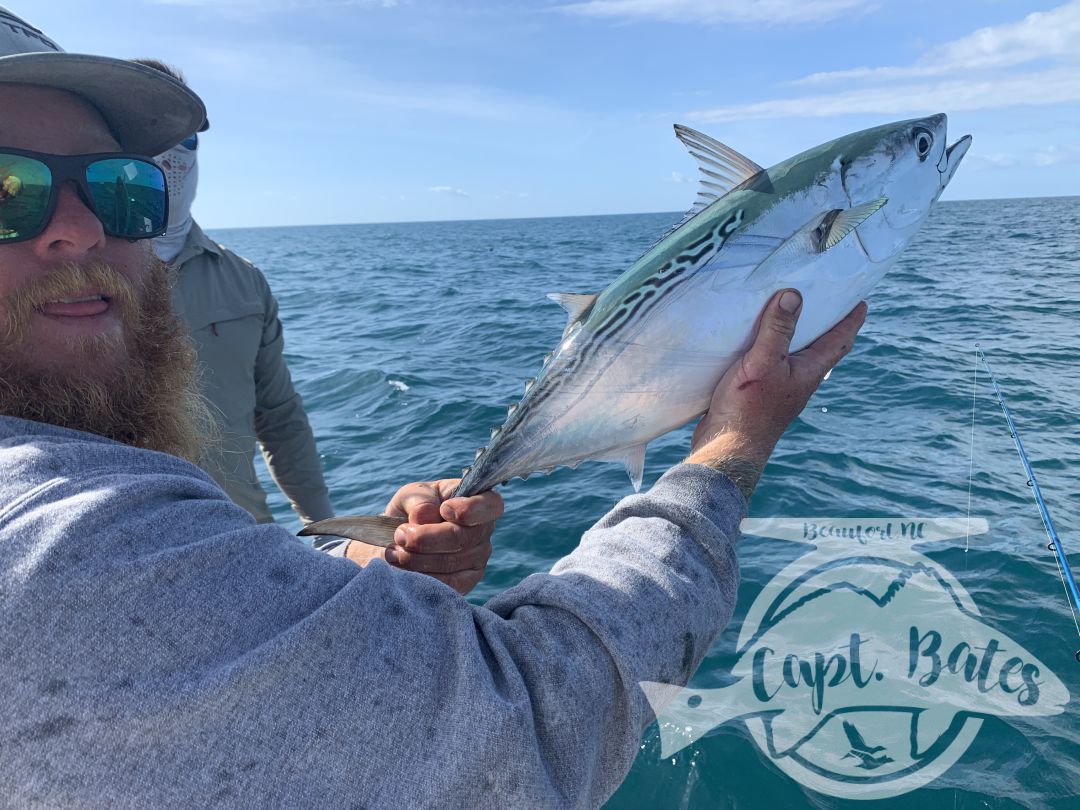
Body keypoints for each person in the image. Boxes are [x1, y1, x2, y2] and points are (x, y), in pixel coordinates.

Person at [0, 6, 866, 807]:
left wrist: (344, 562)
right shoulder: (65, 546)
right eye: (7, 188)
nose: (76, 228)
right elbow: (531, 726)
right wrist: (730, 449)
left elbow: (279, 424)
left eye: (121, 188)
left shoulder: (218, 316)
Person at [128, 57, 334, 530]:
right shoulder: (68, 276)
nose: (172, 151)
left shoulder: (244, 280)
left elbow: (280, 418)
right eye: (150, 128)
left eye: (186, 133)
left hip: (246, 541)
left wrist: (326, 530)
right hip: (115, 564)